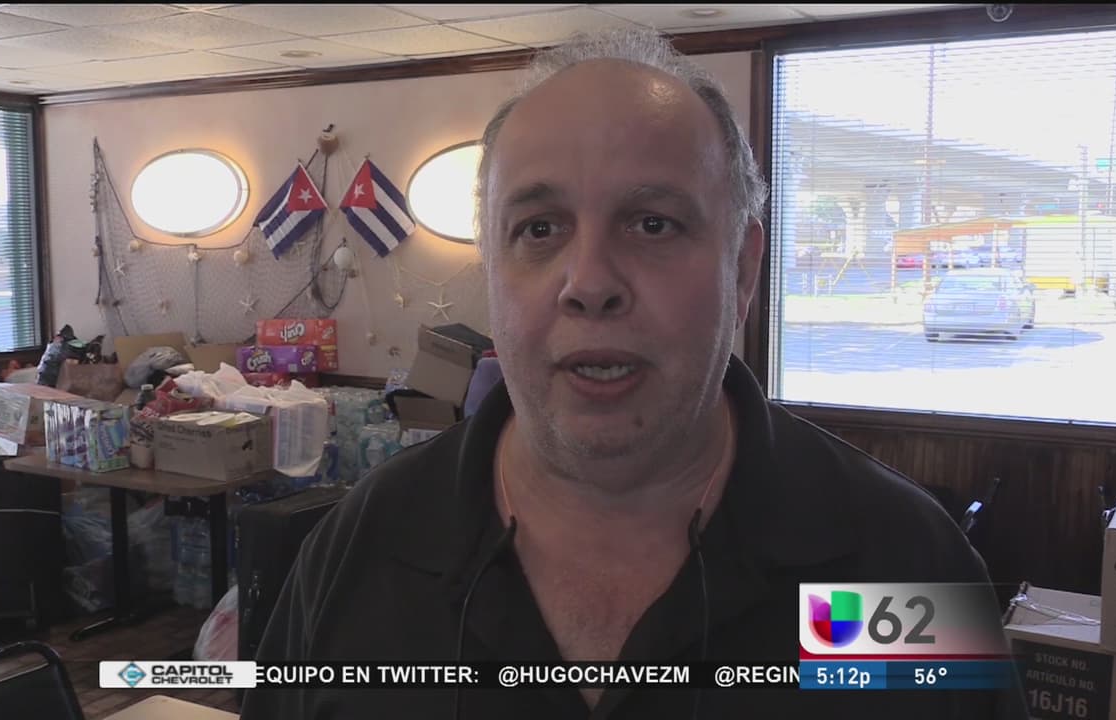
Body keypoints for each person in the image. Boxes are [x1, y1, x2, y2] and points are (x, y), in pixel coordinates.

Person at [241, 28, 1027, 720]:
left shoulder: (902, 564)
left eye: (653, 223)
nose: (589, 282)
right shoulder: (361, 548)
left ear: (743, 271)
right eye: (539, 228)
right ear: (492, 270)